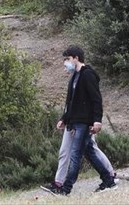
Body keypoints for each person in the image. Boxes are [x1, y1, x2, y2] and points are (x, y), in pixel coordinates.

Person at [43, 46, 118, 196]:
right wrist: (64, 119)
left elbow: (96, 100)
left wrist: (97, 120)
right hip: (73, 122)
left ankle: (65, 189)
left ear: (76, 58)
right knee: (86, 152)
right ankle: (109, 179)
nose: (65, 63)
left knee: (76, 155)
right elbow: (71, 102)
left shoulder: (88, 75)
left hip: (83, 123)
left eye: (67, 59)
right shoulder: (74, 77)